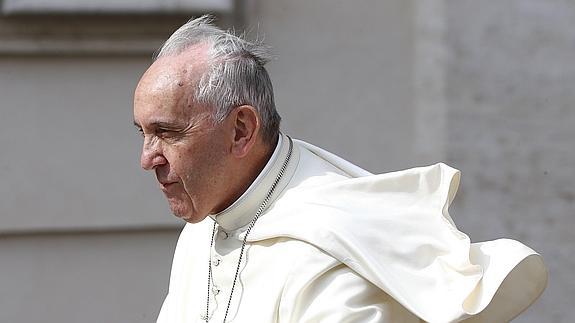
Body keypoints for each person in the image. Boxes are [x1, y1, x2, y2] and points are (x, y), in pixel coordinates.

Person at [133, 15, 547, 323]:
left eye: (167, 133)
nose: (148, 158)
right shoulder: (205, 224)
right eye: (143, 133)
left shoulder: (331, 257)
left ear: (241, 130)